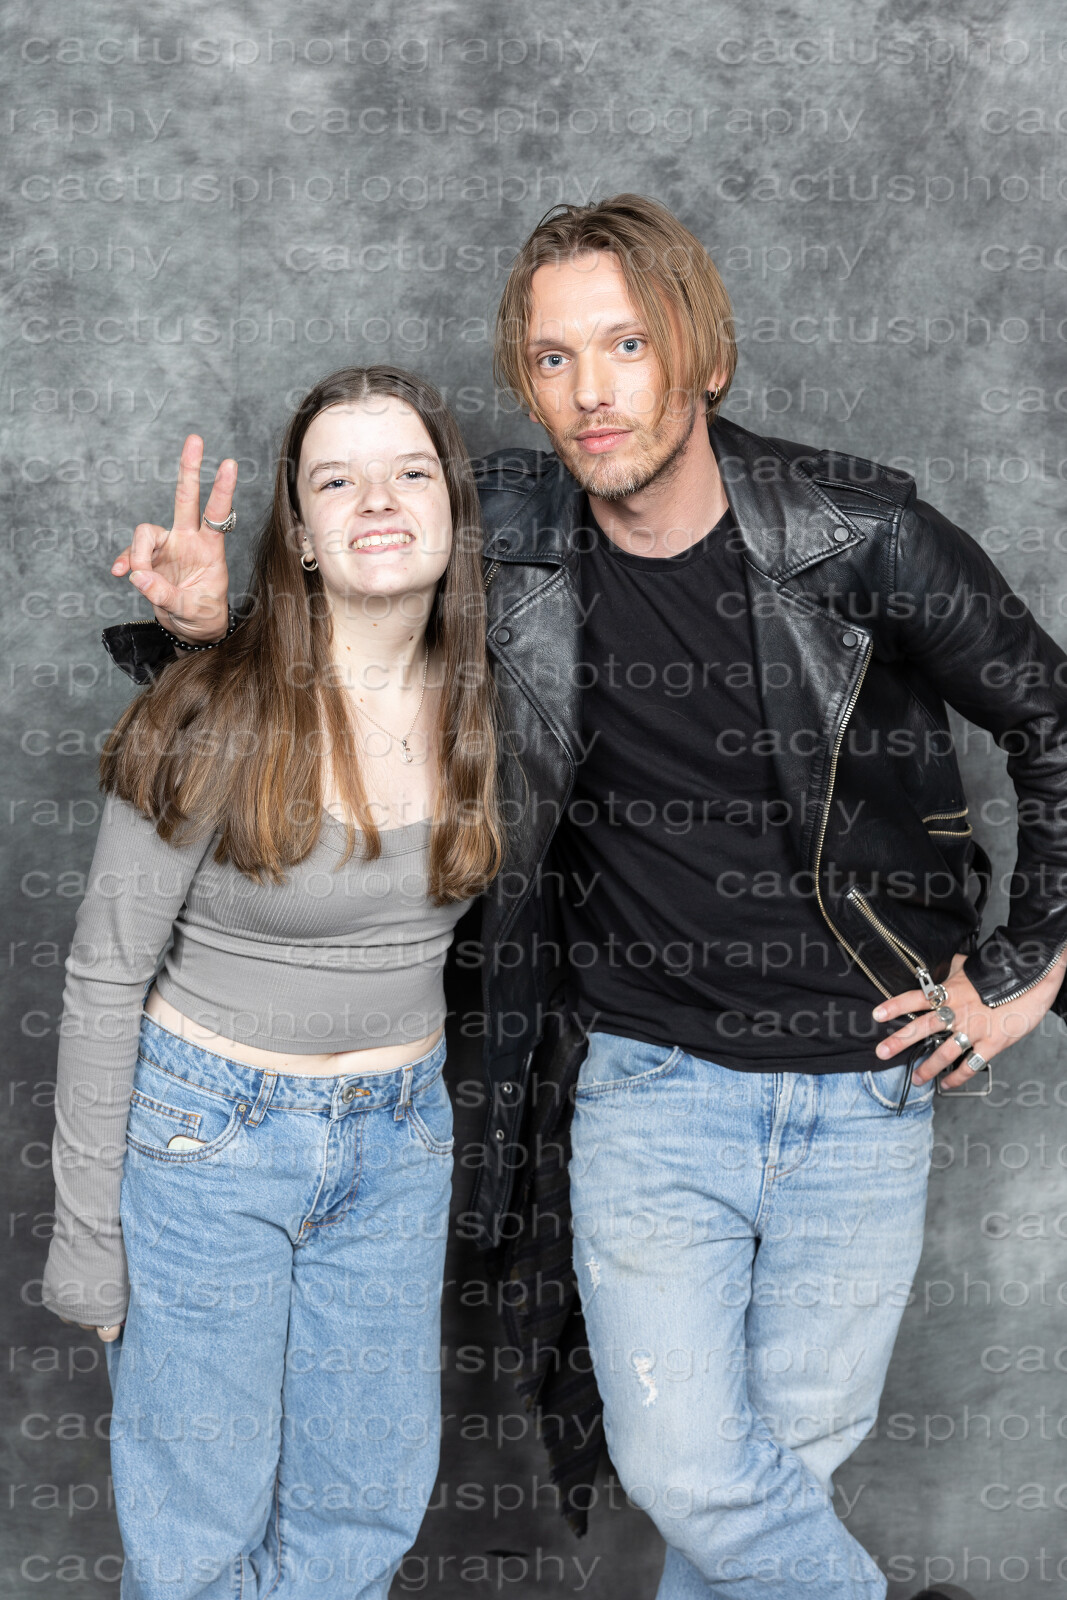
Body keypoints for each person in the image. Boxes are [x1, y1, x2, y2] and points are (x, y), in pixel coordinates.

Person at [96, 198, 1067, 1600]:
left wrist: (1027, 965)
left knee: (767, 1494)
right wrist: (210, 633)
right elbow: (352, 638)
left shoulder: (856, 532)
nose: (591, 390)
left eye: (627, 343)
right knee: (688, 1467)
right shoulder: (507, 533)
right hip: (647, 1084)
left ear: (703, 356)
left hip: (864, 1086)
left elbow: (1048, 715)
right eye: (553, 358)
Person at [41, 365, 502, 1600]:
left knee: (360, 1517)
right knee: (199, 1536)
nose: (378, 500)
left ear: (454, 508)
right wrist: (86, 1242)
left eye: (410, 472)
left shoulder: (499, 698)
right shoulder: (217, 708)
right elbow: (101, 975)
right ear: (298, 534)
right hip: (210, 1140)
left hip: (401, 1144)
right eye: (336, 481)